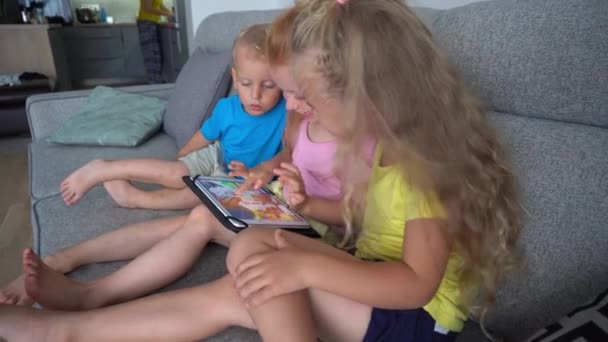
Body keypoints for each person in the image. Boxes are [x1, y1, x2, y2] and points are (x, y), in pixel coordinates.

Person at [0, 1, 520, 341]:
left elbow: (415, 285)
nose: (297, 108)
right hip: (365, 275)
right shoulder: (380, 145)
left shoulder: (426, 169)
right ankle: (69, 327)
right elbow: (362, 217)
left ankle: (64, 333)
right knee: (254, 247)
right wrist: (309, 208)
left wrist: (305, 267)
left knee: (244, 281)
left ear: (369, 94)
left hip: (413, 321)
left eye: (306, 97)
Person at [0, 16, 355, 312]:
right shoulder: (299, 115)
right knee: (199, 213)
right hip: (277, 198)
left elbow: (360, 215)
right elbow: (290, 152)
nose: (289, 102)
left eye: (294, 92)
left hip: (308, 223)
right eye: (288, 91)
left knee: (199, 214)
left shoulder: (353, 133)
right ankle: (66, 260)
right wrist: (269, 168)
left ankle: (93, 292)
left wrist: (301, 199)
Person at [58, 24, 286, 210]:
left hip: (241, 179)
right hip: (217, 155)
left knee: (198, 198)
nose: (256, 95)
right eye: (246, 84)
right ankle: (104, 168)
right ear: (235, 78)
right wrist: (184, 155)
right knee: (176, 174)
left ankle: (136, 199)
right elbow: (205, 135)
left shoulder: (288, 112)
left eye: (268, 85)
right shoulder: (227, 108)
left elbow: (295, 149)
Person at [137, 0, 173, 83]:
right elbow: (147, 7)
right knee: (151, 55)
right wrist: (166, 14)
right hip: (146, 23)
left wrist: (170, 13)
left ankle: (155, 82)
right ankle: (154, 83)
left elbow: (161, 6)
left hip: (152, 23)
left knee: (155, 55)